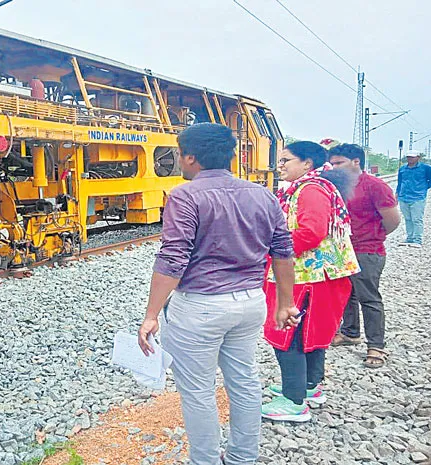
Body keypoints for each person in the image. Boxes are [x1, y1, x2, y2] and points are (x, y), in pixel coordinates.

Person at [137, 123, 298, 465]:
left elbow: (173, 257)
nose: (178, 159)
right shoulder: (262, 194)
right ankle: (242, 458)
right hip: (251, 302)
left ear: (191, 157)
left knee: (197, 391)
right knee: (244, 380)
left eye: (179, 153)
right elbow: (283, 249)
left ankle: (206, 460)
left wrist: (151, 314)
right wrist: (285, 303)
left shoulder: (186, 194)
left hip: (201, 307)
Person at [261, 141, 360, 422]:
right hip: (318, 276)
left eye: (286, 161)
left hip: (306, 276)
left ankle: (294, 400)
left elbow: (311, 231)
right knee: (310, 334)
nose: (280, 166)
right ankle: (309, 386)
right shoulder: (312, 186)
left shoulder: (310, 190)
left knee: (288, 333)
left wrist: (274, 248)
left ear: (307, 164)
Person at [329, 143, 400, 368]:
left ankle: (376, 345)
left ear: (356, 162)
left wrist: (373, 236)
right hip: (342, 248)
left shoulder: (374, 186)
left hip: (368, 249)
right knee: (346, 293)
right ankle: (350, 332)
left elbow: (392, 220)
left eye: (339, 163)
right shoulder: (336, 186)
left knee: (368, 297)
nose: (334, 167)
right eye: (332, 164)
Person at [396, 151, 431, 247]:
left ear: (418, 157)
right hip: (404, 197)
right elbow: (400, 182)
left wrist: (422, 189)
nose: (410, 159)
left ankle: (417, 240)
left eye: (412, 157)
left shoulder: (426, 168)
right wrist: (397, 194)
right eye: (408, 157)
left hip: (417, 197)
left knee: (417, 219)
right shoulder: (403, 169)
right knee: (408, 218)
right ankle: (410, 238)